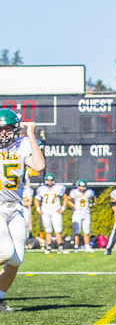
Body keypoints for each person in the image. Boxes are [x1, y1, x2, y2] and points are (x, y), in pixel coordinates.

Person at [0, 111, 45, 312]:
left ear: (15, 129)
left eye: (7, 129)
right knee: (6, 251)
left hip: (15, 208)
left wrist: (32, 134)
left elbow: (39, 165)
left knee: (16, 259)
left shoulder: (23, 144)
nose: (3, 133)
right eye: (0, 129)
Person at [35, 173, 67, 254]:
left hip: (55, 211)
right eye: (48, 180)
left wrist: (62, 208)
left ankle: (60, 247)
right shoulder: (41, 189)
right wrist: (38, 209)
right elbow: (36, 199)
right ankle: (48, 247)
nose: (49, 182)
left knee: (58, 229)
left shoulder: (58, 188)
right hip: (45, 211)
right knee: (48, 230)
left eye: (51, 180)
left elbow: (65, 197)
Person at [65, 179, 96, 253]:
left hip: (86, 213)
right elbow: (67, 199)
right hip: (77, 213)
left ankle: (87, 246)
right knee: (77, 231)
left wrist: (92, 204)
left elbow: (94, 199)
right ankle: (76, 246)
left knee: (86, 231)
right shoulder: (74, 192)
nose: (82, 188)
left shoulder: (89, 192)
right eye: (81, 186)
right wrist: (73, 205)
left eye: (83, 186)